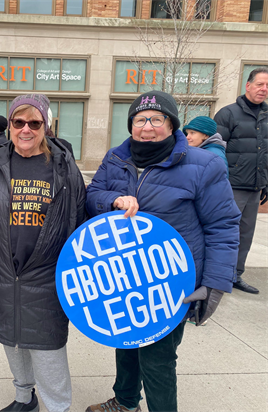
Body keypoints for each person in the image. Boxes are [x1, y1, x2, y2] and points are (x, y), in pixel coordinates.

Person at [84, 91, 240, 412]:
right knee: (125, 345)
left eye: (157, 119)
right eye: (140, 120)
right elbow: (92, 195)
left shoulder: (203, 164)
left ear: (172, 126)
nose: (148, 127)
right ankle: (126, 402)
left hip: (171, 282)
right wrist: (113, 200)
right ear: (131, 126)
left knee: (157, 359)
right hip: (124, 277)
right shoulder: (116, 157)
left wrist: (215, 285)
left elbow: (223, 226)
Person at [0, 94, 87, 412]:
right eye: (19, 122)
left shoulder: (64, 168)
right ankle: (24, 398)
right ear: (11, 125)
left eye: (35, 122)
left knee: (48, 352)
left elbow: (80, 222)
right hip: (2, 274)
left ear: (46, 125)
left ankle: (58, 407)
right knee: (13, 341)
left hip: (47, 278)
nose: (26, 129)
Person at [214, 66, 268, 294]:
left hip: (255, 186)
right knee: (225, 233)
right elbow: (213, 149)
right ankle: (218, 275)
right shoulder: (228, 114)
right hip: (231, 186)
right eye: (260, 84)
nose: (264, 89)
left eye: (267, 86)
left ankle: (236, 275)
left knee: (245, 234)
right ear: (248, 85)